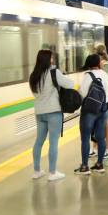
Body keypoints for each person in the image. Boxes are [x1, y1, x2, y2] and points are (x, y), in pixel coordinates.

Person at [30, 49, 74, 182]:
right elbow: (70, 84)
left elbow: (35, 93)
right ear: (48, 59)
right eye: (51, 58)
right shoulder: (53, 72)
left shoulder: (33, 75)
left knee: (39, 141)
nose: (53, 59)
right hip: (53, 112)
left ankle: (37, 171)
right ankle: (52, 172)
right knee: (53, 142)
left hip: (39, 112)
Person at [75, 54, 108, 176]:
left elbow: (82, 93)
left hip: (89, 110)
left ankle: (85, 167)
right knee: (101, 138)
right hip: (103, 109)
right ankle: (99, 164)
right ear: (98, 63)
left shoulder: (88, 75)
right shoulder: (105, 75)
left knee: (85, 138)